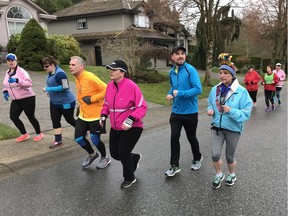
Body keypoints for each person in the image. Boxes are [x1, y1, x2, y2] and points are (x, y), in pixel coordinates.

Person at [207, 53, 252, 189]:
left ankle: (231, 174)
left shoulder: (242, 92)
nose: (222, 75)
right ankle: (219, 173)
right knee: (215, 154)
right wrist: (210, 109)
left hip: (233, 129)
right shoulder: (215, 90)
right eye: (221, 73)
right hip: (217, 128)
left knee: (229, 156)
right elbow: (210, 103)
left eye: (226, 73)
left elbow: (246, 113)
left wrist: (231, 111)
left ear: (232, 75)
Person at [100, 60, 147, 189]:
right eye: (110, 69)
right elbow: (106, 104)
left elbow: (142, 106)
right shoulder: (109, 86)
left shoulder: (132, 86)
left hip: (132, 127)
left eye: (114, 69)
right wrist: (103, 115)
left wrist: (131, 119)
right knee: (115, 154)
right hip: (116, 127)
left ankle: (129, 178)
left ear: (122, 73)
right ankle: (134, 158)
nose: (111, 71)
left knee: (123, 153)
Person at [165, 46, 203, 177]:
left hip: (190, 112)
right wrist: (170, 94)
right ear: (172, 57)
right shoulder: (172, 72)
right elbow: (173, 87)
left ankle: (197, 157)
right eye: (177, 54)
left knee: (191, 137)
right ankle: (174, 165)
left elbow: (198, 89)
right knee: (174, 137)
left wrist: (179, 93)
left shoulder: (190, 70)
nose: (181, 56)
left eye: (183, 54)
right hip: (176, 112)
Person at [69, 56, 111, 169]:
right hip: (83, 114)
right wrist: (80, 107)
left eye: (73, 65)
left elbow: (107, 89)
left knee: (95, 139)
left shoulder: (89, 77)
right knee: (78, 138)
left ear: (81, 66)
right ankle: (92, 154)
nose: (70, 67)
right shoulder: (77, 78)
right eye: (70, 64)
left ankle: (105, 157)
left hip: (96, 115)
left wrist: (92, 99)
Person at [2, 53, 44, 143]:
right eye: (8, 60)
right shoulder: (7, 72)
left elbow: (29, 83)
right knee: (13, 116)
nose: (10, 62)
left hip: (27, 97)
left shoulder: (22, 71)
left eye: (12, 60)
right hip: (16, 99)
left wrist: (18, 80)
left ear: (16, 61)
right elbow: (8, 84)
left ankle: (39, 133)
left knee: (30, 116)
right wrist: (5, 91)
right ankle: (24, 134)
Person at [42, 56, 76, 148]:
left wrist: (49, 89)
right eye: (44, 66)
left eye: (46, 66)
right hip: (54, 102)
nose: (45, 68)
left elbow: (65, 87)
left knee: (69, 119)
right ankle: (58, 140)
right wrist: (50, 92)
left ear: (52, 65)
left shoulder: (60, 74)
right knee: (55, 120)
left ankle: (83, 130)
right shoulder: (50, 73)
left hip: (66, 102)